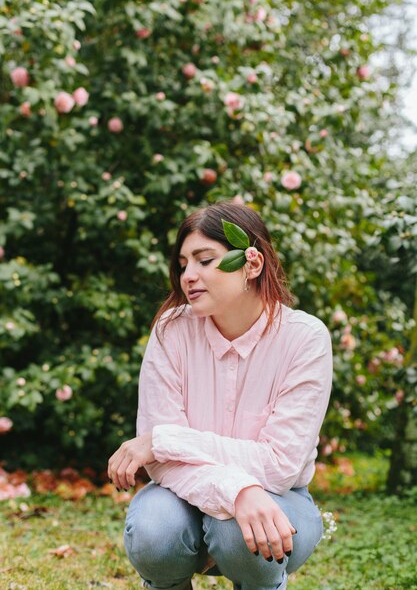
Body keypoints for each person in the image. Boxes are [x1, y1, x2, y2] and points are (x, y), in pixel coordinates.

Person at [108, 202, 333, 590]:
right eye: (182, 264)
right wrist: (238, 490)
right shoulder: (171, 331)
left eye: (204, 260)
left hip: (277, 497)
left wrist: (165, 440)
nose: (188, 276)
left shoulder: (305, 339)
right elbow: (161, 465)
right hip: (180, 493)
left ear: (252, 264)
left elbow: (280, 465)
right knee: (154, 531)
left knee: (238, 537)